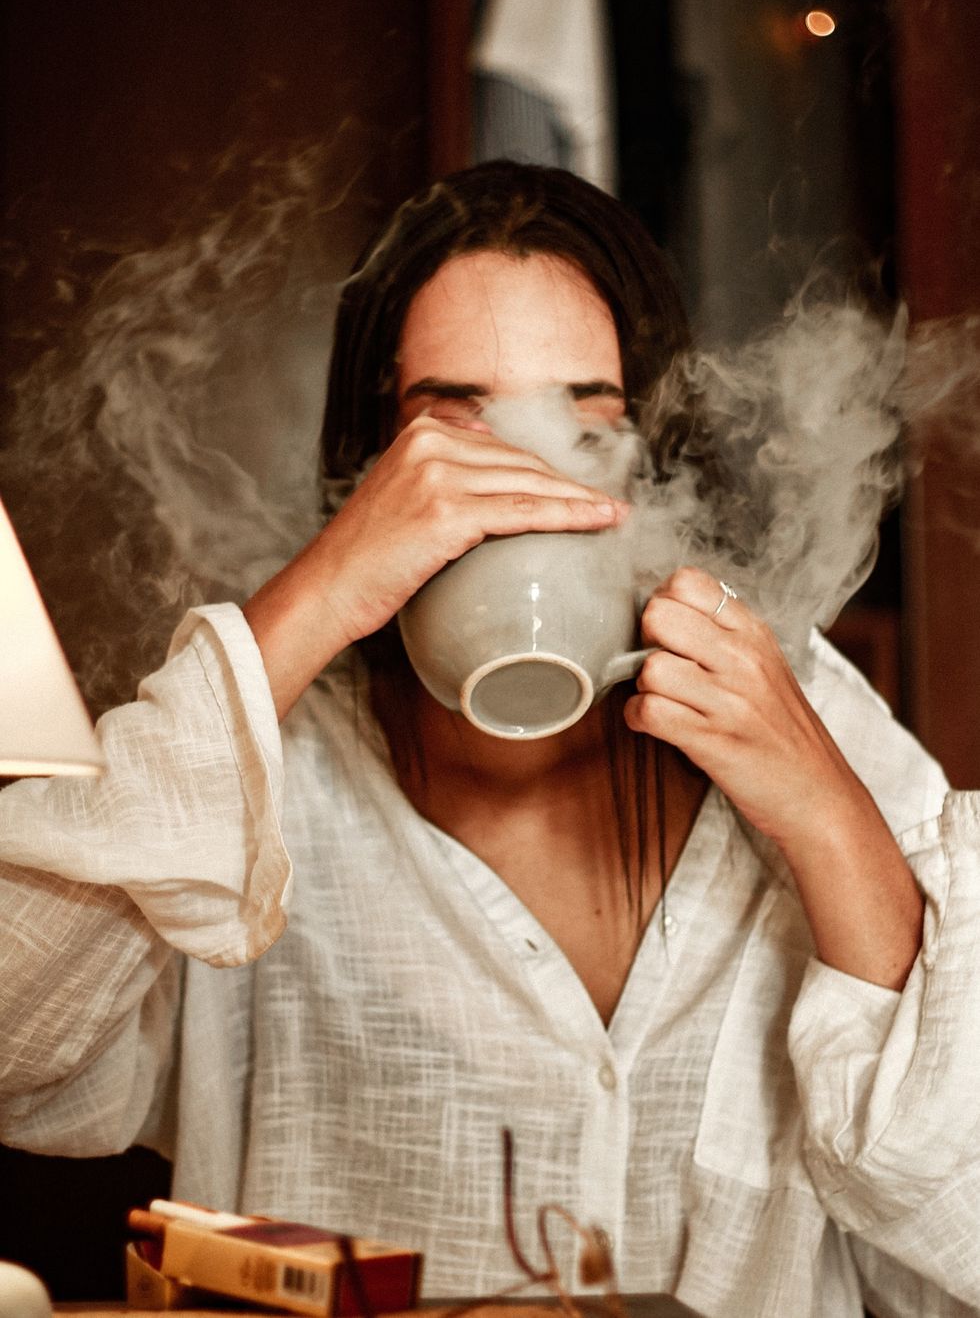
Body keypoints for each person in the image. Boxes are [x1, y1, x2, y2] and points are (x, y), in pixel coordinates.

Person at [1, 161, 978, 1318]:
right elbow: (24, 1052)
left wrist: (824, 816)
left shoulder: (793, 714)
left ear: (651, 456)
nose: (523, 481)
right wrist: (309, 603)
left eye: (586, 426)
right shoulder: (259, 757)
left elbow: (957, 1223)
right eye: (454, 428)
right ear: (372, 463)